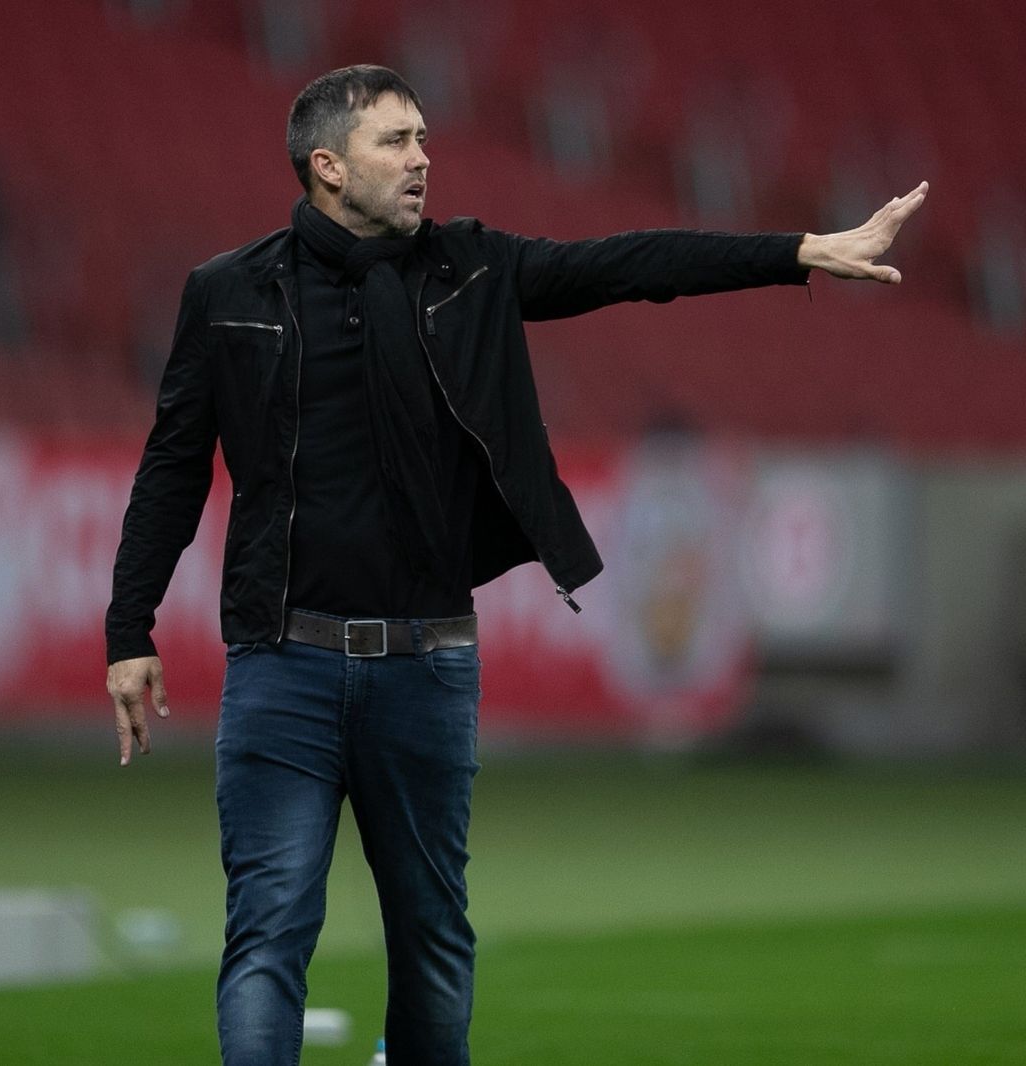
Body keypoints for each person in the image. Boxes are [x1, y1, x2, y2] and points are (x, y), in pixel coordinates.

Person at [104, 64, 926, 1066]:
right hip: (285, 664)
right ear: (326, 166)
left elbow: (629, 264)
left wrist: (797, 250)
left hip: (427, 664)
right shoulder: (228, 294)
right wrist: (128, 629)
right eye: (394, 142)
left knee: (435, 947)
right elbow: (173, 466)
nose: (422, 158)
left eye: (422, 137)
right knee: (268, 932)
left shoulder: (472, 270)